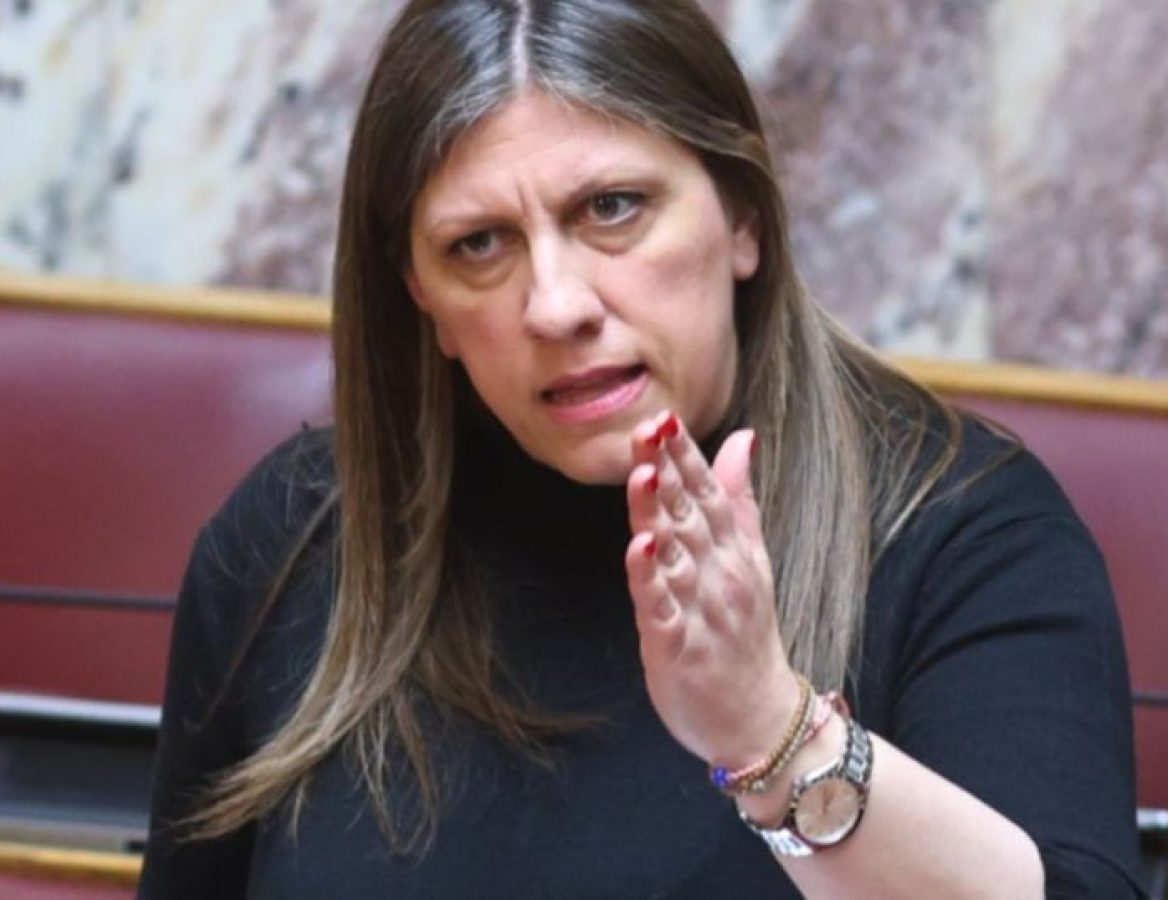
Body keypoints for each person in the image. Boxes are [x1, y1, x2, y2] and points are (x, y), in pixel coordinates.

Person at [137, 0, 1144, 896]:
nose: (556, 305)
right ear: (421, 298)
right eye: (478, 244)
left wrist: (771, 732)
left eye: (611, 209)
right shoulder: (295, 538)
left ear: (742, 219)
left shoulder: (965, 531)